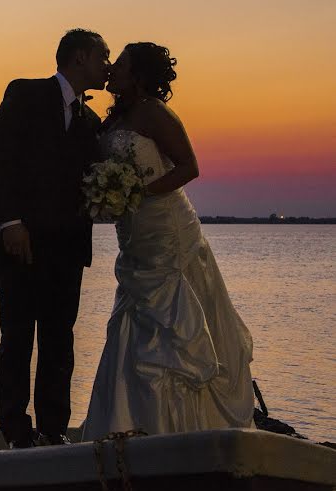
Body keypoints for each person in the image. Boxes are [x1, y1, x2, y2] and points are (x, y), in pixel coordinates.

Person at [81, 43, 255, 439]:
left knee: (172, 329)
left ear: (138, 74)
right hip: (134, 237)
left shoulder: (155, 113)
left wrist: (138, 193)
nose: (111, 70)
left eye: (120, 64)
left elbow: (189, 167)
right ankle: (127, 422)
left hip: (167, 233)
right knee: (132, 320)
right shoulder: (113, 118)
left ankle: (183, 429)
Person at [0, 29, 110, 447]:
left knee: (59, 340)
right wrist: (10, 222)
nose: (108, 65)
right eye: (104, 57)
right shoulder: (26, 93)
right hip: (19, 241)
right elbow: (1, 157)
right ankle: (15, 432)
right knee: (16, 338)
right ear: (81, 57)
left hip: (66, 248)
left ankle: (53, 431)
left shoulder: (91, 122)